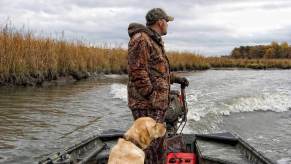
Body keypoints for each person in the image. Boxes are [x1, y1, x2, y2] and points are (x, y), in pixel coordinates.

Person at [127, 8, 189, 164]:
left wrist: (176, 79)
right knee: (149, 149)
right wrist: (152, 96)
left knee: (158, 148)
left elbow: (157, 73)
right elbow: (137, 72)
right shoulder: (142, 39)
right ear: (160, 22)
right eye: (167, 21)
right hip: (147, 105)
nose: (168, 24)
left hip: (155, 105)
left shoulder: (153, 41)